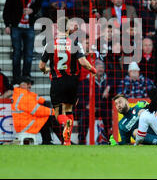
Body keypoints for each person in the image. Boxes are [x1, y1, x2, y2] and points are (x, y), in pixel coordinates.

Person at [39, 17, 97, 145]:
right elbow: (83, 63)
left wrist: (46, 70)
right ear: (68, 28)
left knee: (58, 112)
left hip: (57, 81)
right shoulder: (76, 44)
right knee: (69, 109)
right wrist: (94, 70)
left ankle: (65, 122)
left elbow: (41, 66)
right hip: (72, 82)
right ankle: (67, 141)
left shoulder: (50, 44)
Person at [3, 0, 42, 83]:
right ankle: (16, 77)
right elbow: (6, 10)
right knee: (16, 53)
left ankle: (26, 76)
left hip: (29, 26)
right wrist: (7, 25)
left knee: (28, 53)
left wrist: (33, 10)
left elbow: (39, 7)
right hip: (16, 27)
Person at [76, 59, 114, 144]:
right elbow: (78, 99)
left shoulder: (108, 81)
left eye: (102, 68)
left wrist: (108, 88)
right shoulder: (85, 82)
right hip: (89, 108)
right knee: (84, 117)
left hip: (104, 107)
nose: (101, 69)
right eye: (99, 67)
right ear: (93, 68)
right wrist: (86, 105)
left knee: (108, 116)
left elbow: (116, 82)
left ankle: (110, 140)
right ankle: (81, 141)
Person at [11, 76, 57, 145]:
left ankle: (48, 140)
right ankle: (60, 140)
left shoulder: (20, 93)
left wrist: (45, 102)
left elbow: (35, 97)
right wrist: (53, 111)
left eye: (30, 84)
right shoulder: (24, 96)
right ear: (21, 85)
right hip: (26, 126)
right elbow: (37, 111)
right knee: (49, 116)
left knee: (47, 114)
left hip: (23, 123)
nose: (30, 85)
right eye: (28, 83)